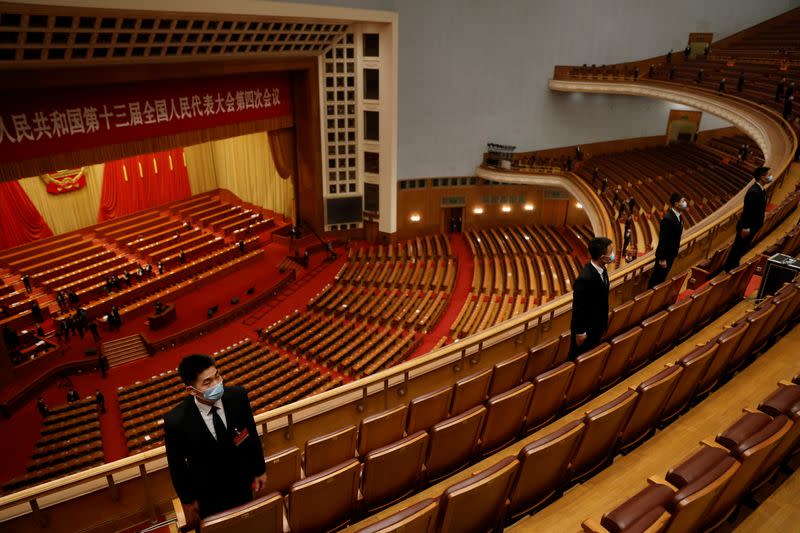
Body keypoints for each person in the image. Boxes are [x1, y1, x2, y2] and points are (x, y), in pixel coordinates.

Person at [164, 354, 267, 527]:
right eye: (207, 382)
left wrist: (259, 470)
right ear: (191, 390)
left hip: (242, 481)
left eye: (217, 376)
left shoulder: (238, 397)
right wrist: (188, 499)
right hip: (208, 494)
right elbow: (177, 466)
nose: (217, 384)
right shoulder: (176, 421)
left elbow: (251, 435)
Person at [569, 237, 613, 360]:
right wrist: (580, 332)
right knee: (579, 357)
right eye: (610, 252)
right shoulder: (584, 279)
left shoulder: (602, 270)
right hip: (586, 331)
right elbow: (578, 308)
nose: (613, 255)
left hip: (597, 325)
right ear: (602, 257)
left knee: (591, 355)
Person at [724, 166, 771, 271]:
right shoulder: (754, 192)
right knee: (737, 248)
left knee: (742, 249)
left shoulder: (761, 190)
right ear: (762, 177)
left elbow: (758, 208)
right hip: (747, 227)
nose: (770, 177)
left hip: (753, 226)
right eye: (767, 175)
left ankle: (733, 267)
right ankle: (729, 269)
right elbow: (747, 211)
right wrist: (745, 227)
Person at [648, 193, 686, 288]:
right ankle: (648, 297)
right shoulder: (668, 219)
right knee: (656, 279)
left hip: (671, 253)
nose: (685, 203)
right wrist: (662, 258)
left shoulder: (679, 216)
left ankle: (655, 295)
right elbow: (663, 240)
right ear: (676, 204)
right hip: (665, 256)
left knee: (662, 278)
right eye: (683, 201)